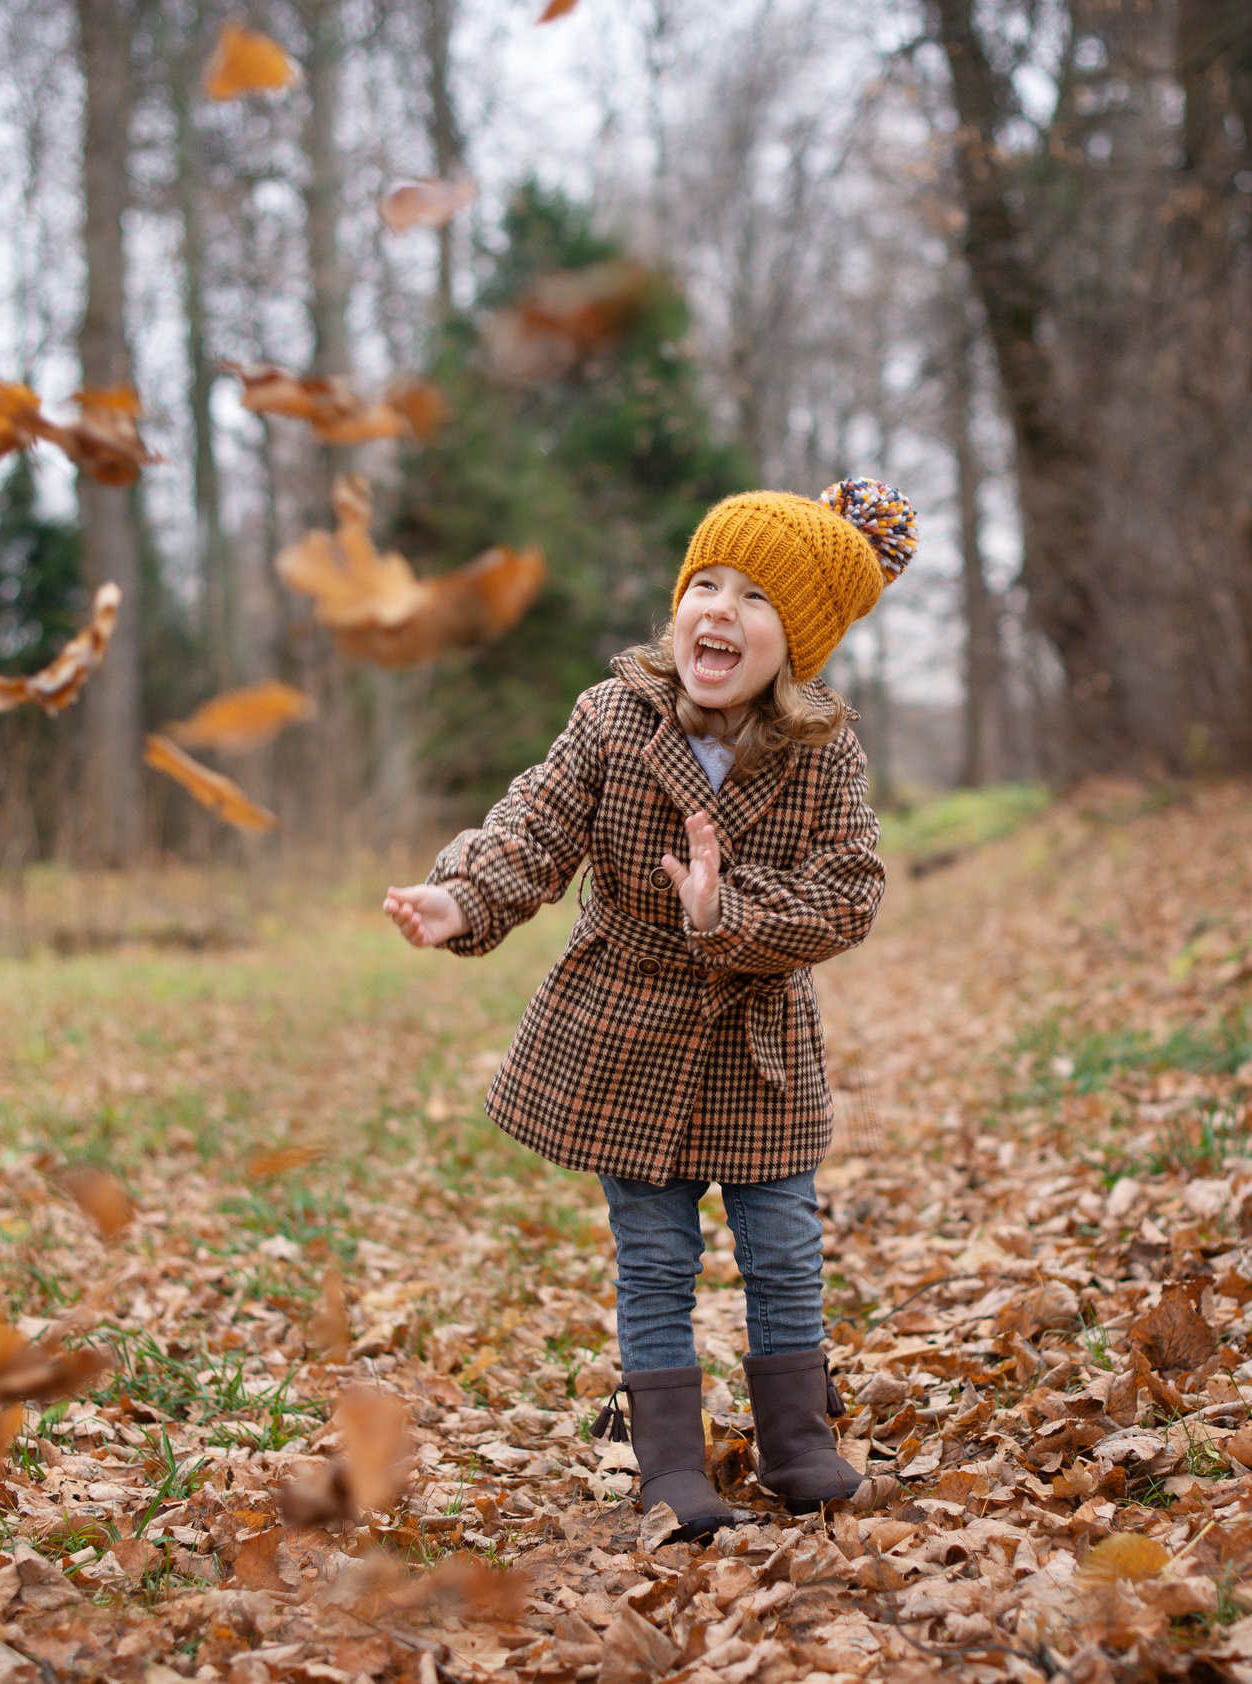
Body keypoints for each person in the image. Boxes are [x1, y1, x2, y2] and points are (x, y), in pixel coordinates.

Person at [382, 481, 913, 1540]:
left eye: (754, 597)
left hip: (759, 1046)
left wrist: (729, 911)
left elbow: (849, 890)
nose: (718, 609)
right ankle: (671, 1465)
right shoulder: (613, 718)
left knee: (780, 1247)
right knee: (656, 1255)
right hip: (627, 1034)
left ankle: (798, 1442)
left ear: (796, 639)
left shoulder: (823, 753)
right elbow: (536, 826)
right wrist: (463, 892)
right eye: (703, 583)